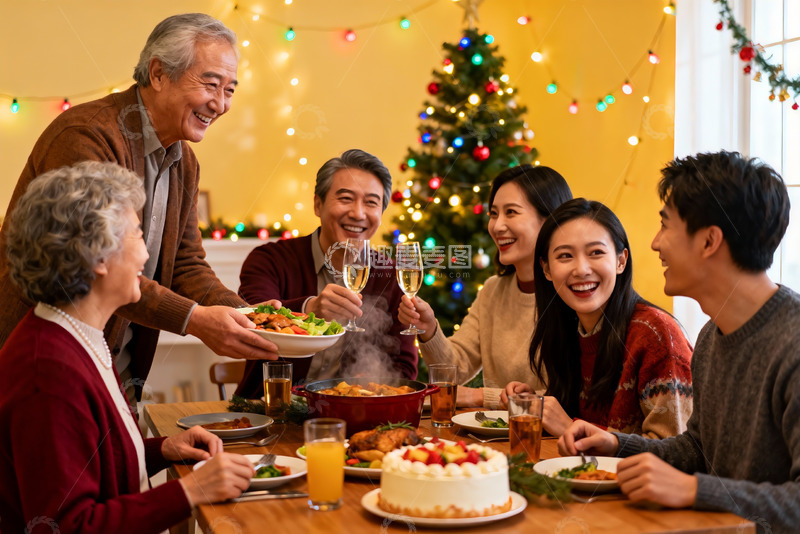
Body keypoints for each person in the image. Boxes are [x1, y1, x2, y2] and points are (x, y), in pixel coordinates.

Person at [0, 13, 279, 404]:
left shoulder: (185, 160)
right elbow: (95, 264)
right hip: (45, 368)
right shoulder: (87, 136)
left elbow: (186, 264)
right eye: (211, 84)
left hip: (115, 368)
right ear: (159, 74)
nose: (220, 104)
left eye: (230, 89)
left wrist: (251, 317)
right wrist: (195, 320)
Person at [0, 162, 255, 533]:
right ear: (98, 256)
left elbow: (88, 465)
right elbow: (68, 525)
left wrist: (163, 449)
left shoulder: (74, 336)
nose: (146, 256)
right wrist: (190, 490)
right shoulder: (49, 372)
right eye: (137, 235)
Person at [559, 152, 799, 533]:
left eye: (665, 225)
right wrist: (616, 444)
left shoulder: (793, 344)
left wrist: (693, 489)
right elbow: (699, 449)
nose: (655, 244)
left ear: (708, 241)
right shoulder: (712, 335)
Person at [503, 198, 693, 439]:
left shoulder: (656, 333)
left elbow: (672, 451)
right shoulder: (568, 328)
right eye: (564, 256)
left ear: (621, 261)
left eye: (596, 252)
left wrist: (569, 427)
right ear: (546, 269)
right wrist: (536, 401)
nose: (581, 269)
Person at [235, 149, 418, 395]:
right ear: (318, 204)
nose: (358, 213)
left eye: (371, 202)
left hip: (351, 415)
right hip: (268, 410)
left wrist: (370, 382)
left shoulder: (389, 274)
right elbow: (252, 317)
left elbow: (404, 368)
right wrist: (310, 309)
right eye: (345, 198)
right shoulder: (269, 259)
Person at [397, 165, 572, 409]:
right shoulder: (493, 290)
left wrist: (482, 396)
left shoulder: (572, 293)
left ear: (549, 219)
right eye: (493, 214)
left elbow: (569, 398)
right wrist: (428, 328)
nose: (497, 226)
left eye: (511, 212)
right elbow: (455, 369)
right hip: (491, 436)